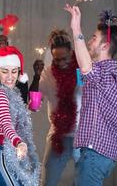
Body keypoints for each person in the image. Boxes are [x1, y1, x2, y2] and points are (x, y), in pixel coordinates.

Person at [64, 5, 117, 186]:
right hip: (94, 154)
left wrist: (76, 28)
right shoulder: (108, 75)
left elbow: (86, 68)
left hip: (95, 155)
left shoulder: (105, 75)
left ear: (105, 45)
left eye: (93, 38)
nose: (89, 42)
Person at [29, 29, 82, 186]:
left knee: (84, 181)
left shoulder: (81, 69)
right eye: (56, 59)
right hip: (58, 135)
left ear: (72, 53)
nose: (60, 63)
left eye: (64, 58)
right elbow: (34, 106)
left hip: (84, 135)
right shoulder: (48, 73)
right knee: (47, 181)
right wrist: (37, 77)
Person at [0, 46, 41, 186]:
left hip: (12, 153)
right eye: (5, 72)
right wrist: (18, 142)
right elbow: (6, 124)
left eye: (14, 71)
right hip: (1, 155)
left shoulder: (15, 93)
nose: (10, 77)